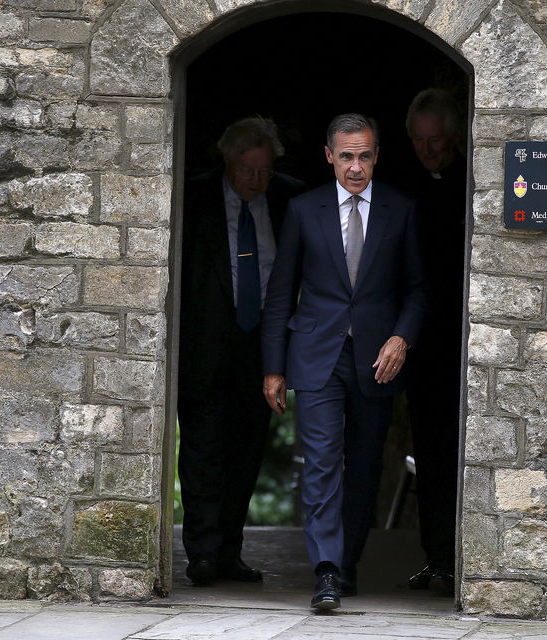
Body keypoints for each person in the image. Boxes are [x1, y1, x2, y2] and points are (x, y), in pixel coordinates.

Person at [262, 114, 427, 610]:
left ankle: (347, 561)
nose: (356, 167)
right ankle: (327, 571)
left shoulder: (401, 208)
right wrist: (274, 366)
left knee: (364, 467)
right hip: (315, 357)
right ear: (329, 155)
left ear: (377, 155)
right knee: (321, 463)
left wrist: (401, 337)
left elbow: (419, 289)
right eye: (347, 156)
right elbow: (280, 292)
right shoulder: (302, 209)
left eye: (366, 156)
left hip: (377, 359)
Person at [178, 117, 305, 586]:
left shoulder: (293, 198)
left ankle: (229, 551)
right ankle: (203, 554)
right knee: (202, 451)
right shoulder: (192, 196)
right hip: (206, 344)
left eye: (263, 172)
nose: (255, 180)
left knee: (246, 453)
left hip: (263, 349)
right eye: (246, 170)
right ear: (228, 161)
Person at [395, 88, 467, 592]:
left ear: (455, 135)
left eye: (436, 140)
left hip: (465, 339)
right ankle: (438, 556)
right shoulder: (402, 187)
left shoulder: (471, 181)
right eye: (419, 141)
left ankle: (466, 559)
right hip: (423, 345)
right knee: (431, 454)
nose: (428, 151)